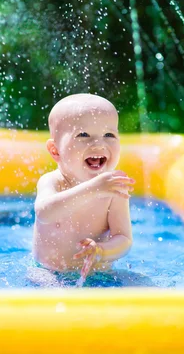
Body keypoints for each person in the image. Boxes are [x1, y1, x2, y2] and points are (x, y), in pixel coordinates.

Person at [32, 93, 135, 283]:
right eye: (83, 135)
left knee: (142, 287)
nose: (98, 143)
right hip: (49, 272)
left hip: (100, 273)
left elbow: (124, 239)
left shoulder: (115, 189)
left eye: (109, 135)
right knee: (50, 292)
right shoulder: (52, 182)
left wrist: (102, 251)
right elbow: (44, 213)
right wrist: (93, 189)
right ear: (55, 150)